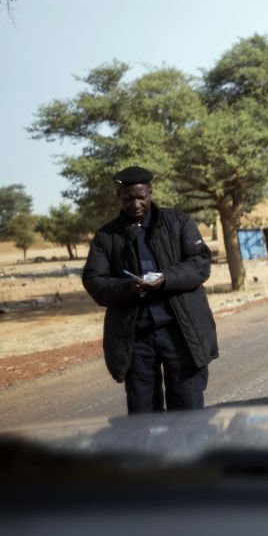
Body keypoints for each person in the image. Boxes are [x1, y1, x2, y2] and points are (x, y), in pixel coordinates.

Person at [82, 166, 218, 414]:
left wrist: (165, 279)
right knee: (143, 416)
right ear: (119, 196)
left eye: (140, 197)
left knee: (188, 411)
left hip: (180, 331)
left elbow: (200, 264)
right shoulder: (106, 236)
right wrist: (128, 287)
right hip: (136, 337)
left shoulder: (178, 222)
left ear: (150, 193)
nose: (135, 204)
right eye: (128, 198)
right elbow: (94, 280)